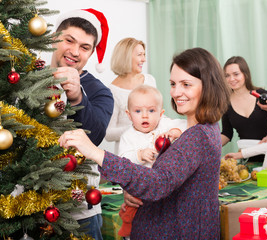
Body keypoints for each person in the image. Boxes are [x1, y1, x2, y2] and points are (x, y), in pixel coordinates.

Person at [58, 47, 231, 239]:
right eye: (173, 84)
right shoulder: (201, 128)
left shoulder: (198, 136)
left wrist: (95, 152)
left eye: (186, 84)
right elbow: (169, 183)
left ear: (207, 86)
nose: (176, 92)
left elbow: (158, 182)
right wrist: (134, 190)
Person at [51, 9, 114, 239]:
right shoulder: (26, 79)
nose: (75, 52)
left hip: (79, 213)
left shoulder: (100, 92)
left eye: (85, 47)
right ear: (54, 37)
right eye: (69, 40)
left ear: (90, 53)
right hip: (26, 207)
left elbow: (95, 136)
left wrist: (77, 97)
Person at [118, 85, 186, 238]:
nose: (145, 116)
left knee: (165, 221)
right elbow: (122, 162)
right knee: (133, 217)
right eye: (138, 111)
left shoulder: (164, 124)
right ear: (129, 115)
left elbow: (186, 125)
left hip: (165, 189)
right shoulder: (128, 136)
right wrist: (139, 155)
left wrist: (175, 132)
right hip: (140, 190)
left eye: (151, 111)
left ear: (161, 113)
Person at [221, 56, 267, 163]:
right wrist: (209, 147)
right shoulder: (225, 104)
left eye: (236, 74)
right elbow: (226, 134)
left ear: (245, 74)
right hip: (247, 159)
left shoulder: (261, 95)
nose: (231, 79)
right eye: (227, 76)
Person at [105, 38, 156, 155]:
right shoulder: (112, 91)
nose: (144, 59)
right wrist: (136, 126)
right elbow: (108, 134)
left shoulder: (150, 80)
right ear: (126, 57)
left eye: (144, 54)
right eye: (139, 55)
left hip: (152, 151)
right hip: (128, 153)